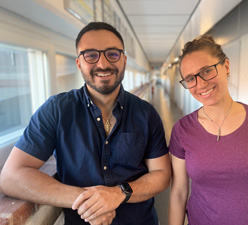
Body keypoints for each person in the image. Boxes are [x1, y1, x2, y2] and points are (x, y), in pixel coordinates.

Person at [0, 22, 171, 225]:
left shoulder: (146, 113)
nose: (102, 64)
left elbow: (161, 174)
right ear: (79, 63)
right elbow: (11, 176)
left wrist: (119, 193)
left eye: (112, 54)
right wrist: (88, 202)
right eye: (91, 55)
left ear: (124, 60)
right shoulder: (56, 110)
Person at [168, 35, 248, 225]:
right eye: (190, 79)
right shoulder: (183, 130)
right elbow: (179, 193)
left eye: (207, 71)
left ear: (226, 66)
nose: (200, 84)